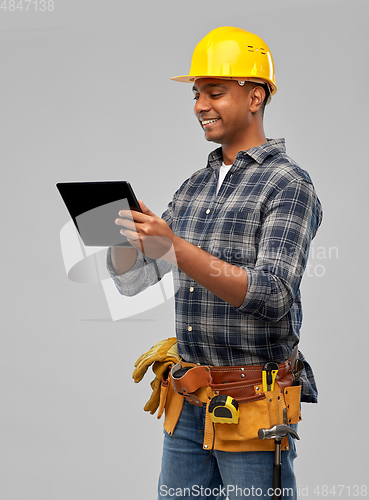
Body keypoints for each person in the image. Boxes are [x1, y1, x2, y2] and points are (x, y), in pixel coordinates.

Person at [107, 26, 322, 500]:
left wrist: (175, 246)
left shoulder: (288, 185)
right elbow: (135, 282)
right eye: (197, 94)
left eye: (215, 92)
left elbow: (271, 295)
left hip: (253, 407)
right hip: (187, 403)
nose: (201, 105)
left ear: (256, 96)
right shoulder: (193, 187)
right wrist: (124, 240)